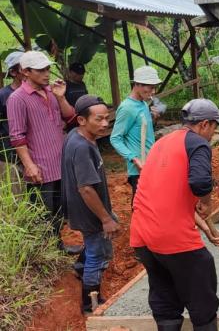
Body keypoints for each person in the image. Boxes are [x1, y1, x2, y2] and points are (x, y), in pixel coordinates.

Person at [130, 99, 219, 331]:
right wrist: (207, 202)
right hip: (171, 237)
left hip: (143, 237)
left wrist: (206, 229)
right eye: (214, 127)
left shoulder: (162, 143)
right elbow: (201, 182)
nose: (213, 133)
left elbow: (168, 197)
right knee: (201, 286)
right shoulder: (198, 144)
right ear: (204, 124)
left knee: (164, 292)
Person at [8, 50, 83, 254]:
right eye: (40, 70)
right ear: (25, 72)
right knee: (43, 211)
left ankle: (57, 248)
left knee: (59, 209)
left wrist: (60, 97)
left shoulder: (51, 92)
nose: (47, 73)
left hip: (59, 162)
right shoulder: (17, 99)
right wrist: (29, 165)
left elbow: (70, 116)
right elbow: (17, 136)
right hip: (40, 167)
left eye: (48, 68)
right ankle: (45, 253)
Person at [61, 95, 120, 313]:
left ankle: (79, 268)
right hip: (89, 212)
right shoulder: (82, 147)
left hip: (83, 209)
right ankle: (89, 304)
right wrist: (105, 218)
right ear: (82, 120)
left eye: (106, 118)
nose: (105, 123)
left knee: (95, 245)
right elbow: (85, 188)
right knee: (96, 254)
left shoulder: (75, 137)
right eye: (98, 119)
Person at [110, 66, 161, 200]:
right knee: (141, 207)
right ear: (137, 84)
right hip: (139, 169)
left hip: (150, 163)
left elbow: (142, 132)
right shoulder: (127, 108)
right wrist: (134, 159)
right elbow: (115, 138)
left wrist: (154, 119)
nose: (152, 91)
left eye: (154, 87)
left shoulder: (143, 104)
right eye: (149, 87)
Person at [1, 51, 24, 165]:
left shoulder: (37, 92)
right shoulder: (3, 95)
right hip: (11, 150)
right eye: (24, 68)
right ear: (13, 72)